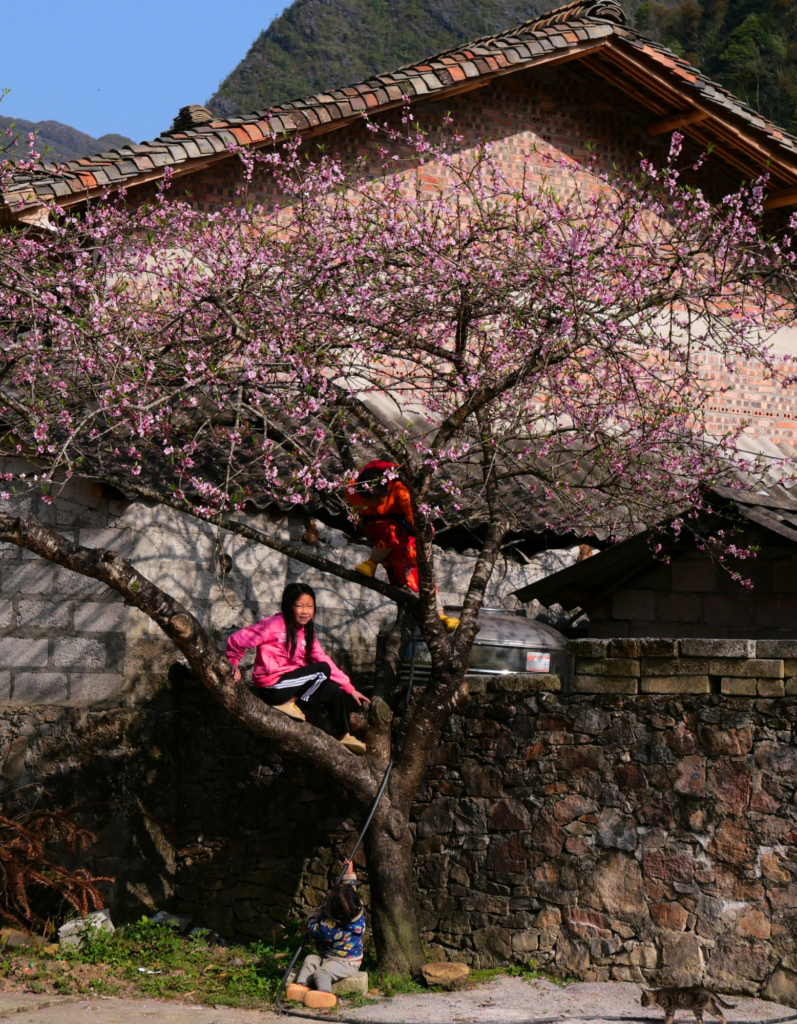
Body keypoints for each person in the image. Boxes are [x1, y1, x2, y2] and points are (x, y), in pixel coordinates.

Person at [226, 583, 370, 755]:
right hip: (272, 687)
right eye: (299, 606)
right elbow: (238, 639)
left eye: (310, 606)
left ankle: (345, 735)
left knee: (332, 690)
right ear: (289, 606)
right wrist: (233, 663)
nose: (305, 611)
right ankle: (289, 703)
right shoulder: (273, 625)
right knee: (322, 670)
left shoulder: (306, 632)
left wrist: (349, 688)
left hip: (290, 684)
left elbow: (322, 657)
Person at [345, 459, 460, 632]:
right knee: (392, 533)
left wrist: (424, 529)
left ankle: (440, 615)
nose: (376, 504)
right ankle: (371, 563)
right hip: (377, 524)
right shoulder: (353, 489)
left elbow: (413, 516)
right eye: (370, 500)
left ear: (388, 489)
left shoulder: (400, 491)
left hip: (404, 525)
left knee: (417, 565)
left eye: (379, 499)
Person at [285, 860, 365, 1009]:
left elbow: (313, 931)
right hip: (328, 955)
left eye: (327, 901)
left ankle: (324, 994)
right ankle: (301, 987)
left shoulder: (329, 928)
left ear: (332, 913)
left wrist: (313, 916)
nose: (327, 896)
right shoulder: (355, 908)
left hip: (346, 962)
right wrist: (349, 874)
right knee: (310, 959)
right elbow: (349, 890)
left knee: (321, 973)